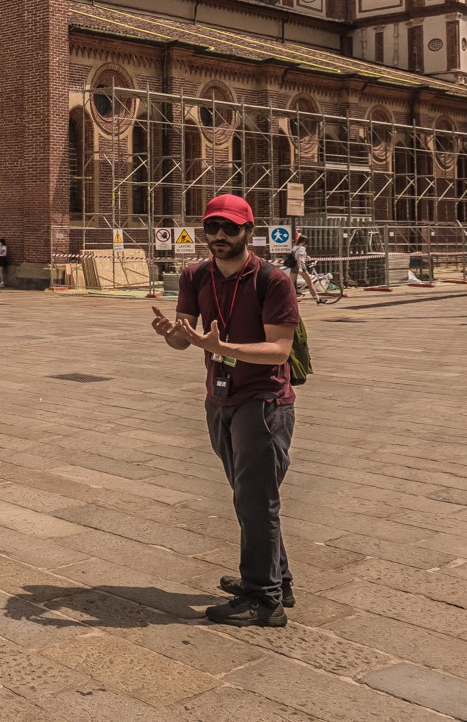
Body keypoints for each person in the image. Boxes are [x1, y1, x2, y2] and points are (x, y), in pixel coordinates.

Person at [150, 193, 300, 629]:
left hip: (263, 402)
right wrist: (171, 335)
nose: (218, 236)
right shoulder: (195, 275)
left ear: (248, 232)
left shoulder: (273, 281)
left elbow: (279, 351)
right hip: (219, 399)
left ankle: (264, 599)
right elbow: (184, 339)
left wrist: (222, 348)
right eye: (211, 228)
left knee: (257, 500)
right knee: (250, 496)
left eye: (229, 228)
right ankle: (278, 580)